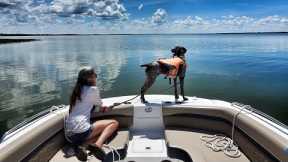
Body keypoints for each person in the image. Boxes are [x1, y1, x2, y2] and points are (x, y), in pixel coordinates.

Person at [65, 67, 119, 161]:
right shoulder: (93, 89)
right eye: (95, 75)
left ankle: (80, 146)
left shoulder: (76, 91)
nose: (96, 77)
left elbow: (82, 106)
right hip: (81, 132)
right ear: (89, 78)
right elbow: (100, 104)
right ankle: (97, 146)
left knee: (99, 132)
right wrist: (104, 108)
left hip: (69, 134)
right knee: (114, 123)